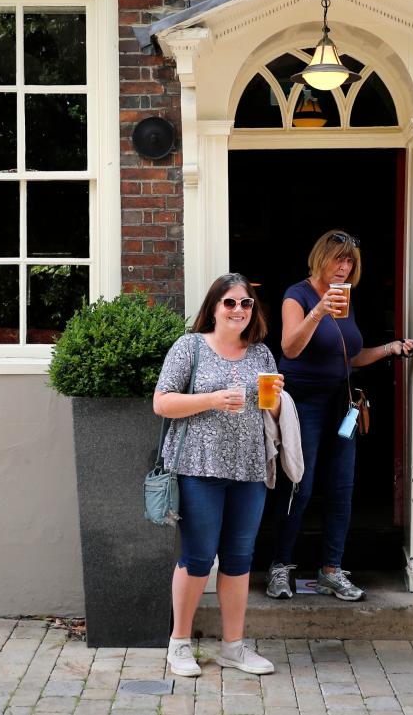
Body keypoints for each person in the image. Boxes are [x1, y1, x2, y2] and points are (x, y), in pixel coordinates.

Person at [265, 230, 413, 602]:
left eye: (350, 261)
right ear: (321, 258)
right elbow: (290, 346)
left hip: (342, 402)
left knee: (342, 489)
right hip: (303, 404)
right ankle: (279, 566)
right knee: (298, 485)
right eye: (339, 259)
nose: (344, 267)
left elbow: (349, 356)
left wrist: (392, 348)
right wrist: (318, 311)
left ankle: (331, 570)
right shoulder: (296, 295)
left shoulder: (348, 300)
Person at [153, 273, 285, 677]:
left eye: (246, 304)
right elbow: (161, 402)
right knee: (196, 557)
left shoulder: (261, 354)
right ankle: (178, 644)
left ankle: (233, 646)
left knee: (240, 559)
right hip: (198, 467)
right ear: (213, 307)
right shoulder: (189, 347)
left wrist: (277, 400)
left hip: (248, 469)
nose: (239, 310)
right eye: (230, 303)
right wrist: (211, 399)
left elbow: (271, 414)